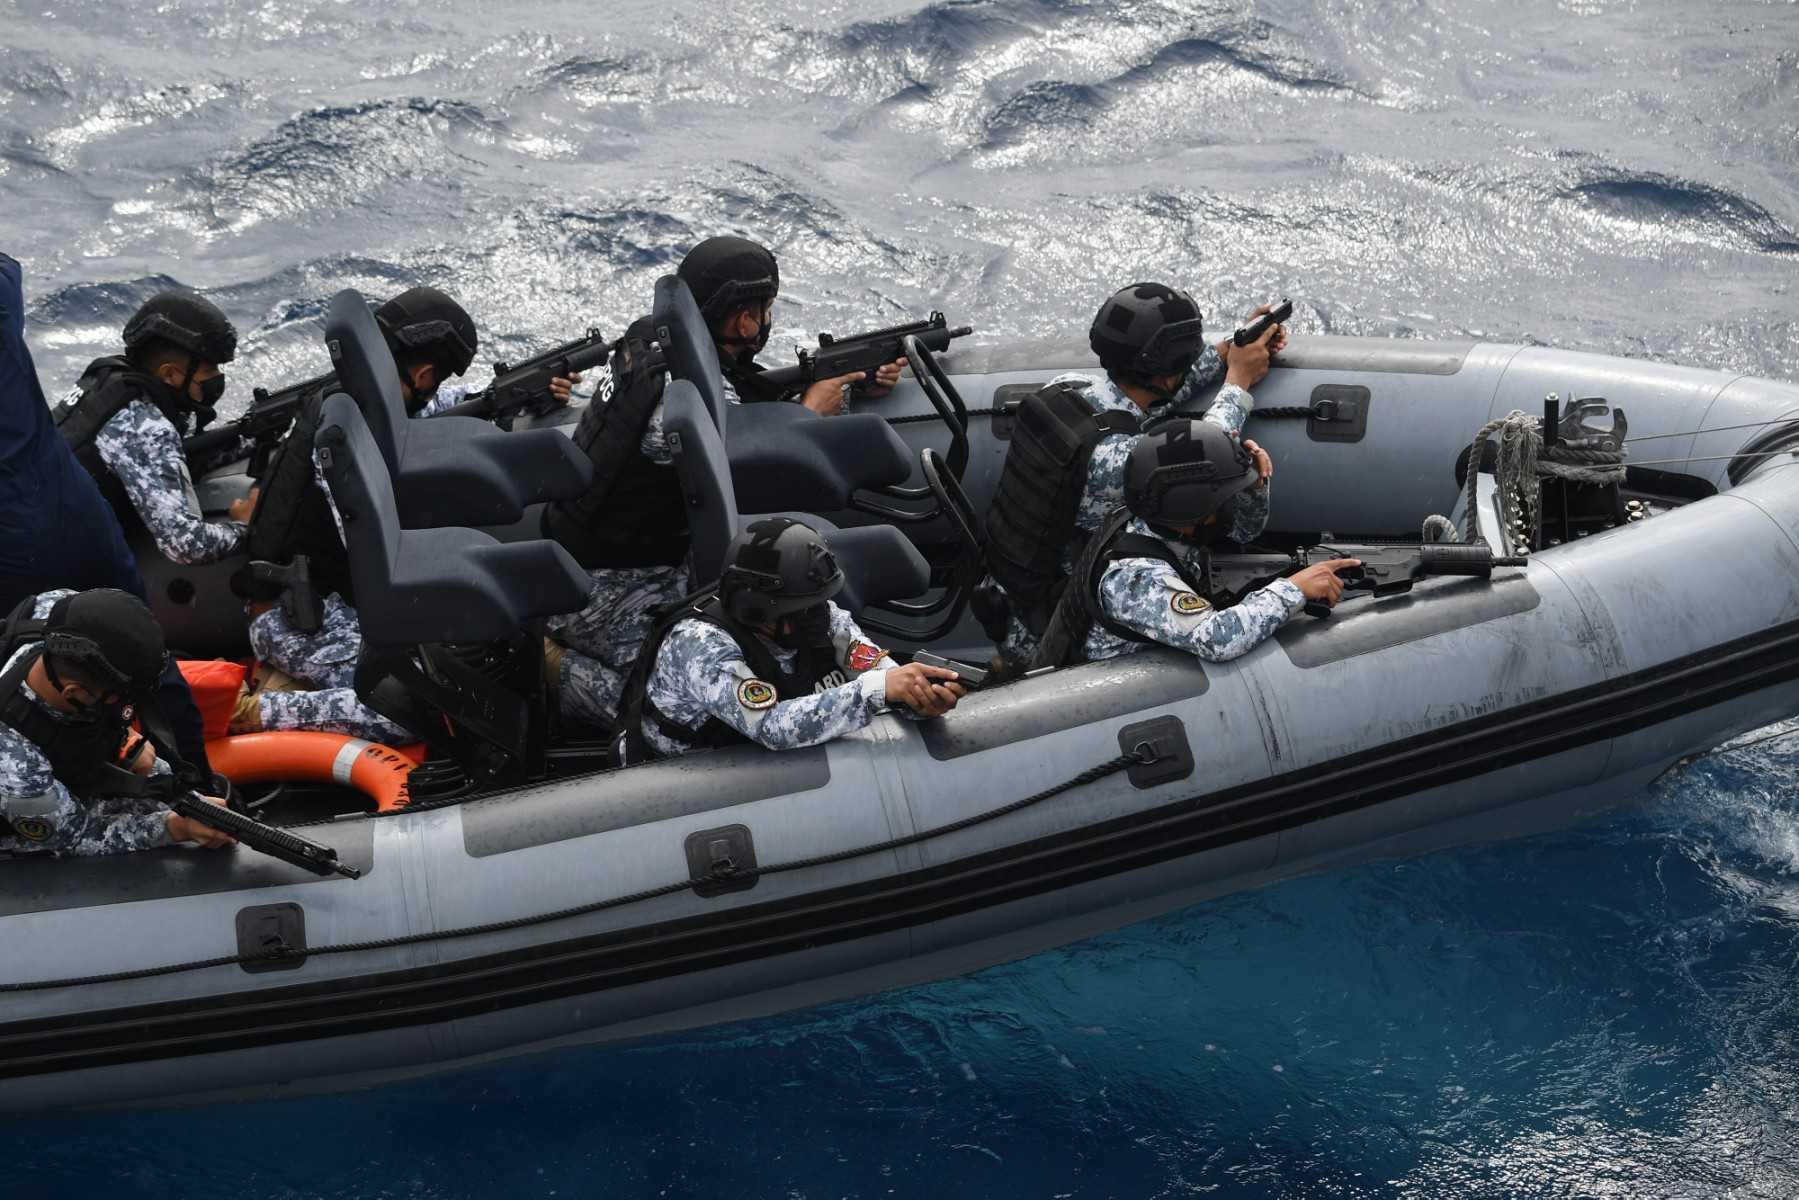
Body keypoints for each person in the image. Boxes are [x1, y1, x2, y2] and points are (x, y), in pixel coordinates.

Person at [984, 282, 1286, 666]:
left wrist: (1232, 346)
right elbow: (1201, 455)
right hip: (1053, 626)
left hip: (1010, 591)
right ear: (1162, 375)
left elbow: (1154, 397)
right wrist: (1238, 381)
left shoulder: (1067, 389)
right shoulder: (1114, 463)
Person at [1, 253, 215, 775]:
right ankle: (196, 781)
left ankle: (71, 788)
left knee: (28, 666)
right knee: (142, 651)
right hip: (64, 508)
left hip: (15, 537)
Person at [597, 518, 963, 757]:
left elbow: (873, 666)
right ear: (760, 611)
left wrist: (913, 696)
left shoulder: (816, 617)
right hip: (676, 782)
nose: (822, 614)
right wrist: (875, 690)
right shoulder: (700, 646)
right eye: (803, 608)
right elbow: (771, 726)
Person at [1030, 422, 1355, 669]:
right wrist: (1292, 590)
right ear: (1194, 510)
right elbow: (1216, 639)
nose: (1229, 505)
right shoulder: (1136, 578)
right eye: (1226, 498)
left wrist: (1254, 488)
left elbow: (1241, 531)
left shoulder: (1157, 518)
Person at [0, 587, 234, 857]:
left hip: (69, 756)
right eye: (118, 699)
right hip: (33, 822)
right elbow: (75, 835)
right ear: (74, 693)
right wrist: (176, 827)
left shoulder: (63, 613)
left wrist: (126, 740)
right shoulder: (14, 765)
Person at [55, 290, 248, 566]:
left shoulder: (109, 380)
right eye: (210, 369)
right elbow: (186, 545)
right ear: (169, 374)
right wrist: (246, 525)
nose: (218, 378)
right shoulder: (144, 426)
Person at [675, 235, 904, 415]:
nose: (769, 318)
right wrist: (811, 413)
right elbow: (748, 464)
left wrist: (860, 386)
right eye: (766, 309)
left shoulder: (682, 356)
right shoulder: (704, 390)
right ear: (744, 324)